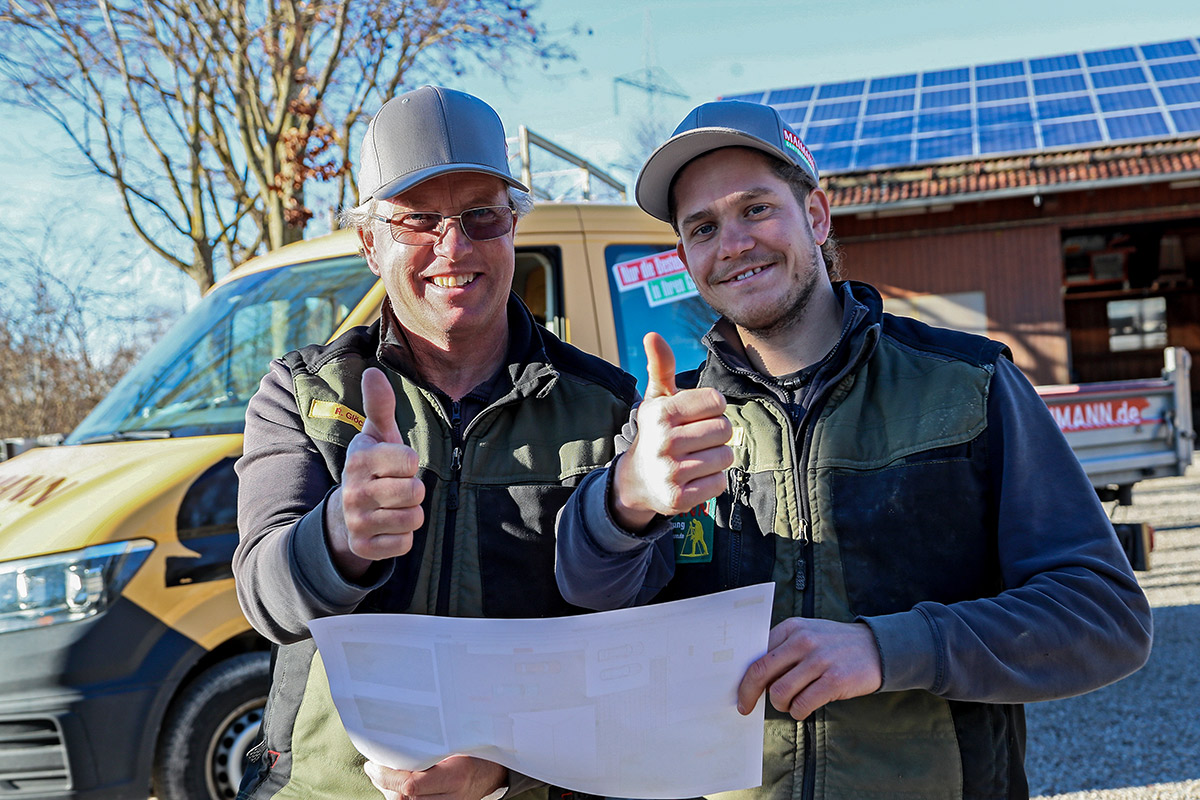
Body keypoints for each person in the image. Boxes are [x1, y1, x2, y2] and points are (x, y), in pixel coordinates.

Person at [555, 99, 1153, 800]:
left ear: (816, 216)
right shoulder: (671, 421)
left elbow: (1104, 616)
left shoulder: (969, 384)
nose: (734, 244)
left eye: (756, 209)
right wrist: (625, 500)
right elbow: (590, 597)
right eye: (704, 228)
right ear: (686, 259)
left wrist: (888, 648)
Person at [233, 85, 637, 800]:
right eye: (418, 220)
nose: (454, 246)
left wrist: (506, 769)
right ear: (370, 242)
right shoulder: (304, 394)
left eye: (482, 214)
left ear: (513, 225)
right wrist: (338, 537)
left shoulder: (607, 409)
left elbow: (638, 657)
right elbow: (265, 597)